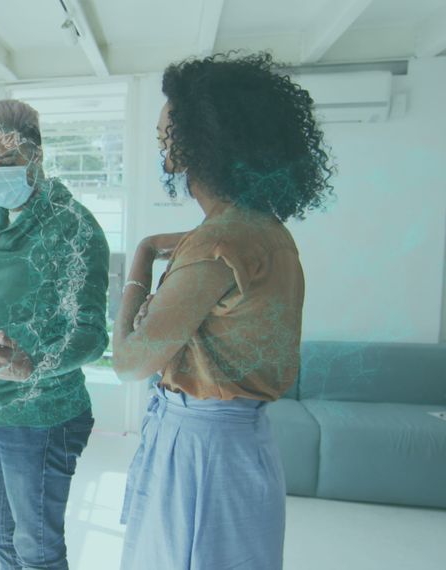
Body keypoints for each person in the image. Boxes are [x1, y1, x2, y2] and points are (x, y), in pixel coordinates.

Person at [112, 52, 335, 570]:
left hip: (201, 449)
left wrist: (141, 257)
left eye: (167, 127)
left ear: (202, 138)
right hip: (235, 442)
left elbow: (128, 364)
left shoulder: (218, 241)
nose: (161, 136)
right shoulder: (264, 228)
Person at [0, 99, 110, 570]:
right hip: (0, 403)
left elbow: (93, 335)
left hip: (50, 412)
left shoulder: (75, 227)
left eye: (8, 162)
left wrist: (32, 365)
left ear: (36, 156)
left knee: (37, 543)